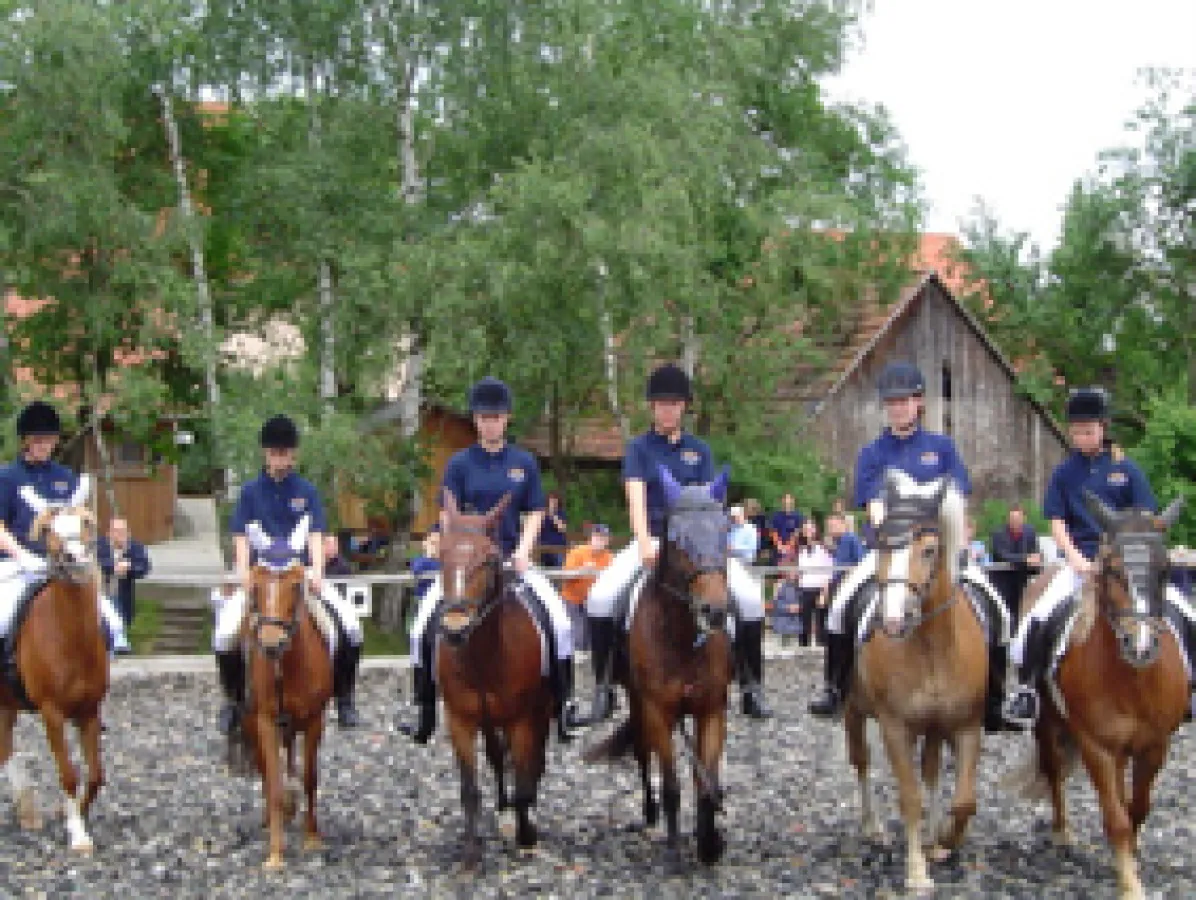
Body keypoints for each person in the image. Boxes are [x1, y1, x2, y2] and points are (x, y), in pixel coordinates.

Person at [808, 361, 1019, 732]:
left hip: (938, 552)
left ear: (919, 403)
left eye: (904, 402)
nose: (898, 408)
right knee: (840, 607)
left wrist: (954, 543)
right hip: (890, 550)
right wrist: (891, 535)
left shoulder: (941, 448)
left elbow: (957, 497)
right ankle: (835, 689)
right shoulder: (872, 454)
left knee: (998, 611)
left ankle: (995, 701)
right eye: (891, 403)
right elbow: (873, 504)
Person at [582, 363, 773, 722]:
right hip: (653, 539)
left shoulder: (699, 451)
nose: (667, 410)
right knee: (601, 598)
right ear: (652, 408)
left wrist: (716, 549)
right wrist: (643, 543)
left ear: (684, 406)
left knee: (749, 601)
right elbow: (636, 498)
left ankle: (751, 686)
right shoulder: (639, 449)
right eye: (661, 404)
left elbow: (709, 504)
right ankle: (603, 688)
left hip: (696, 549)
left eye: (674, 403)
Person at [397, 377, 576, 744]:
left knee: (559, 621)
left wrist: (525, 552)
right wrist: (446, 548)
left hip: (511, 560)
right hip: (467, 566)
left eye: (495, 417)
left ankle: (563, 704)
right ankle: (425, 709)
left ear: (506, 419)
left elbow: (535, 513)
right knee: (421, 629)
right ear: (476, 420)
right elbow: (448, 514)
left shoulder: (523, 463)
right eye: (482, 417)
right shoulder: (460, 464)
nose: (489, 423)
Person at [1002, 388, 1196, 724]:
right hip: (1082, 560)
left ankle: (1190, 687)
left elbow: (1146, 520)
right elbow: (1057, 522)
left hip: (1127, 562)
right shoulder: (1064, 473)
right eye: (1076, 431)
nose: (1081, 437)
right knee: (1038, 617)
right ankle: (1028, 690)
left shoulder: (1127, 470)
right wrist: (1076, 560)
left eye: (1088, 431)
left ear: (1103, 428)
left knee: (1184, 611)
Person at [212, 415, 365, 732]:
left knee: (349, 625)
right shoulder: (251, 492)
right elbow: (240, 537)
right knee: (225, 633)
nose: (279, 458)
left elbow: (316, 535)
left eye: (284, 453)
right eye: (274, 452)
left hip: (299, 573)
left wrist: (319, 571)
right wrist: (242, 572)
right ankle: (233, 700)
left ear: (293, 455)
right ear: (265, 454)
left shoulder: (307, 491)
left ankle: (345, 698)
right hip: (260, 575)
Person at [0, 401, 130, 655]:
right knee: (3, 617)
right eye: (38, 441)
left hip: (64, 563)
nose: (44, 446)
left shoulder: (65, 477)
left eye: (49, 440)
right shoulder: (7, 477)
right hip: (18, 564)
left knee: (110, 620)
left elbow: (78, 521)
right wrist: (22, 556)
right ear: (25, 441)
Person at [96, 516, 151, 650]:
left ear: (128, 533)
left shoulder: (135, 547)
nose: (119, 535)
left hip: (123, 592)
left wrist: (129, 567)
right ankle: (117, 641)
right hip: (101, 590)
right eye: (115, 531)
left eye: (122, 531)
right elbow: (94, 562)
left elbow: (144, 567)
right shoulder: (99, 545)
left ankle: (118, 641)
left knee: (118, 606)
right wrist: (113, 566)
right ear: (108, 533)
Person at [560, 524, 614, 651]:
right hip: (573, 600)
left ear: (607, 541)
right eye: (597, 537)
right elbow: (564, 577)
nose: (599, 541)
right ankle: (576, 663)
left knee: (593, 636)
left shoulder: (610, 557)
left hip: (594, 602)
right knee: (578, 636)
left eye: (603, 538)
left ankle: (590, 663)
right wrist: (582, 570)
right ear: (591, 538)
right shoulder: (577, 552)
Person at [990, 505, 1041, 633]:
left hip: (1022, 579)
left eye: (1018, 518)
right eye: (1012, 518)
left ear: (1024, 518)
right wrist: (1025, 559)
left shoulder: (1030, 531)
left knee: (1023, 611)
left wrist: (1036, 558)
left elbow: (1034, 552)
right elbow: (1002, 555)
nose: (1015, 521)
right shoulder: (998, 533)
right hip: (1003, 581)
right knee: (1005, 612)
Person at [795, 518, 834, 646]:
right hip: (805, 588)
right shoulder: (801, 550)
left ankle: (821, 649)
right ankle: (803, 648)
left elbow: (829, 571)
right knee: (804, 622)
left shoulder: (823, 548)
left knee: (821, 622)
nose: (808, 531)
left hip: (819, 588)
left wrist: (824, 592)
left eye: (810, 528)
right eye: (805, 529)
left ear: (815, 530)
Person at [769, 493, 804, 565]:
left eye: (789, 502)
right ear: (782, 502)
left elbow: (797, 533)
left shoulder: (799, 516)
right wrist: (780, 546)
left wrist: (788, 547)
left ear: (793, 503)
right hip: (778, 547)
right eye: (785, 502)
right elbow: (773, 532)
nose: (787, 504)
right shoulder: (775, 516)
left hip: (793, 548)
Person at [539, 492, 569, 567]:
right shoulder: (542, 513)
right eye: (551, 501)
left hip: (558, 546)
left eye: (555, 501)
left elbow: (562, 528)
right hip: (544, 547)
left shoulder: (561, 513)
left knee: (559, 565)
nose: (553, 503)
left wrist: (553, 515)